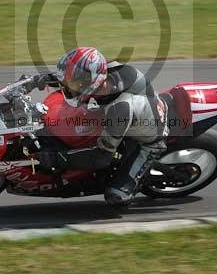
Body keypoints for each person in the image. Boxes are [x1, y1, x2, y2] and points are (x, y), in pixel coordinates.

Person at [23, 47, 168, 207]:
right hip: (132, 115)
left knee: (116, 197)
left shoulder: (119, 110)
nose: (69, 86)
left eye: (74, 83)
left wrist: (58, 158)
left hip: (148, 140)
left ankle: (133, 179)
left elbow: (101, 157)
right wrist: (37, 80)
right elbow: (71, 77)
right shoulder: (105, 72)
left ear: (92, 82)